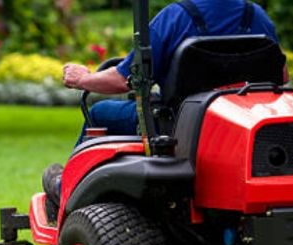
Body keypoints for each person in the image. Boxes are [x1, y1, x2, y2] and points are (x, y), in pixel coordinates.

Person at [43, 0, 280, 221]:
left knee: (100, 111)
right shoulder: (256, 16)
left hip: (176, 127)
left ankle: (65, 189)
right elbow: (282, 75)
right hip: (237, 124)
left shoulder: (176, 17)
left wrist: (84, 78)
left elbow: (122, 80)